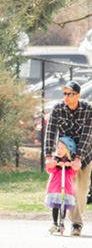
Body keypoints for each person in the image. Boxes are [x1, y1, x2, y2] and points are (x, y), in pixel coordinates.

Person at [45, 80, 92, 236]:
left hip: (84, 155)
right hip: (64, 155)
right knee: (66, 188)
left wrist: (78, 158)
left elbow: (87, 136)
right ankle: (77, 224)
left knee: (82, 190)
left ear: (77, 95)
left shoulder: (88, 110)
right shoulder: (58, 109)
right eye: (64, 93)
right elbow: (50, 132)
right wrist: (48, 156)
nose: (66, 96)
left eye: (70, 94)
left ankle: (75, 213)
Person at [44, 137, 78, 233]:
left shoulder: (69, 161)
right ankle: (54, 222)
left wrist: (71, 165)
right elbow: (50, 170)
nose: (59, 150)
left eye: (62, 149)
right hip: (55, 187)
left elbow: (73, 172)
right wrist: (54, 164)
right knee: (55, 205)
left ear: (68, 151)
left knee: (64, 205)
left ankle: (61, 222)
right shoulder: (55, 159)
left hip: (66, 187)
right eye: (58, 148)